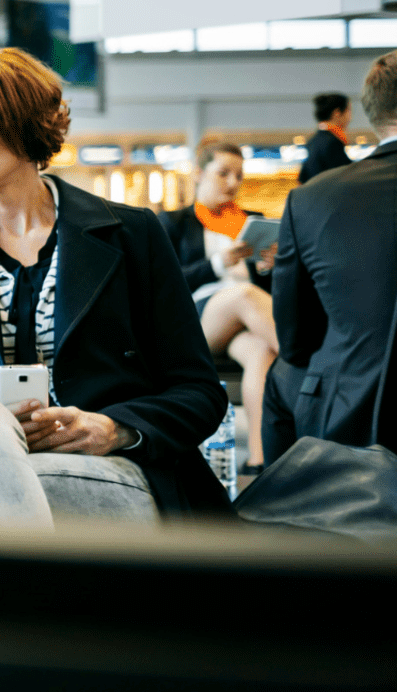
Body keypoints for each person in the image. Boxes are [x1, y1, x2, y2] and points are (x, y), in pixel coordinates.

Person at [0, 48, 231, 527]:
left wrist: (114, 428)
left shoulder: (132, 236)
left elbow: (199, 393)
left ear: (22, 120)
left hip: (103, 472)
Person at [269, 52, 397, 458]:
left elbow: (294, 337)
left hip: (350, 409)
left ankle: (284, 502)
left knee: (282, 375)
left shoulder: (310, 199)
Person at [158, 143, 277, 474]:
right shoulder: (174, 222)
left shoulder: (252, 222)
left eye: (238, 175)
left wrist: (270, 268)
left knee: (260, 352)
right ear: (199, 174)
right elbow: (166, 285)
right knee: (242, 294)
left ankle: (259, 459)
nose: (232, 182)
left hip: (247, 320)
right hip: (198, 320)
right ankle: (308, 368)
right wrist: (216, 264)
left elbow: (269, 290)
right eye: (223, 173)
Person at [298, 91, 354, 184]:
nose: (350, 118)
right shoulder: (332, 143)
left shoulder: (313, 141)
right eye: (348, 111)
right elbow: (345, 178)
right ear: (337, 113)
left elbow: (303, 178)